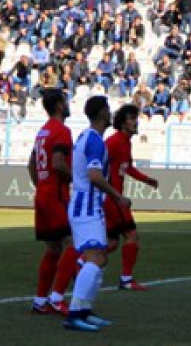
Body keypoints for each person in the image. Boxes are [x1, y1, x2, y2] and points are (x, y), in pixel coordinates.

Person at [64, 96, 132, 331]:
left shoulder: (86, 137)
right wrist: (117, 196)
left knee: (100, 259)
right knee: (94, 258)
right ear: (102, 113)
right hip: (86, 207)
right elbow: (94, 176)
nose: (111, 113)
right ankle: (74, 313)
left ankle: (84, 310)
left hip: (89, 207)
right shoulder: (94, 141)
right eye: (108, 110)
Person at [28, 90, 78, 316]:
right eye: (65, 101)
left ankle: (40, 301)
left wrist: (41, 185)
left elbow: (31, 164)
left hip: (42, 193)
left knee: (53, 247)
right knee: (74, 243)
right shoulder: (61, 130)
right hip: (56, 194)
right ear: (59, 105)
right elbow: (58, 163)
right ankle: (57, 297)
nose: (67, 105)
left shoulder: (42, 131)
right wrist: (78, 180)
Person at [103, 105, 159, 291]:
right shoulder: (113, 142)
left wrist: (147, 180)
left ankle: (80, 261)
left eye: (136, 118)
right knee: (131, 236)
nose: (136, 122)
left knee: (112, 243)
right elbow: (97, 165)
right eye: (131, 118)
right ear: (122, 122)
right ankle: (126, 279)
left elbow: (128, 168)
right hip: (113, 199)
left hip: (113, 198)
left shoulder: (126, 142)